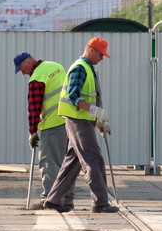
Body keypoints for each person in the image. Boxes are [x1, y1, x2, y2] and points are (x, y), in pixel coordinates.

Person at [42, 37, 118, 214]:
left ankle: (53, 200)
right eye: (100, 54)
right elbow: (73, 97)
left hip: (82, 120)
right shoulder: (80, 68)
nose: (102, 58)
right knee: (93, 159)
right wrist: (95, 112)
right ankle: (100, 203)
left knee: (73, 162)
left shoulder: (88, 68)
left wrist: (97, 118)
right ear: (91, 50)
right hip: (79, 121)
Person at [14, 52, 72, 210]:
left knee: (49, 162)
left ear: (28, 62)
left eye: (21, 69)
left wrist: (33, 132)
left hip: (53, 124)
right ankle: (66, 199)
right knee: (67, 163)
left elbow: (34, 109)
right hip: (70, 121)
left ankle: (50, 198)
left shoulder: (36, 78)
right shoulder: (56, 66)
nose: (23, 73)